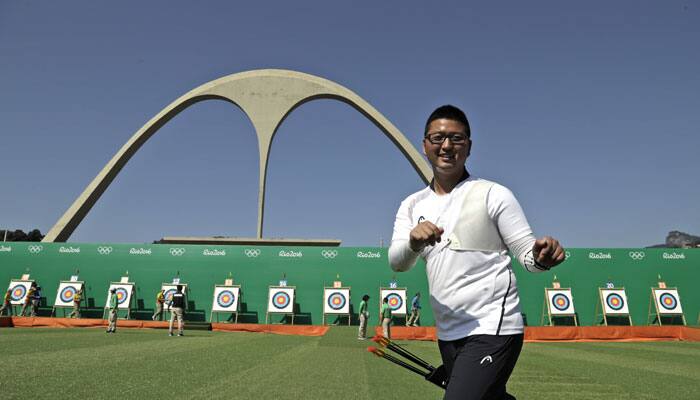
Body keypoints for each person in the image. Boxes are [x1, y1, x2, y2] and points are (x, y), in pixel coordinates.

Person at [389, 105, 565, 399]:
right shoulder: (411, 205)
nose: (446, 146)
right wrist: (413, 243)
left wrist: (541, 258)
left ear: (469, 147)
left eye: (456, 139)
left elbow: (526, 255)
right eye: (438, 138)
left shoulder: (493, 194)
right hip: (448, 333)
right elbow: (397, 263)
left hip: (493, 326)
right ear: (424, 145)